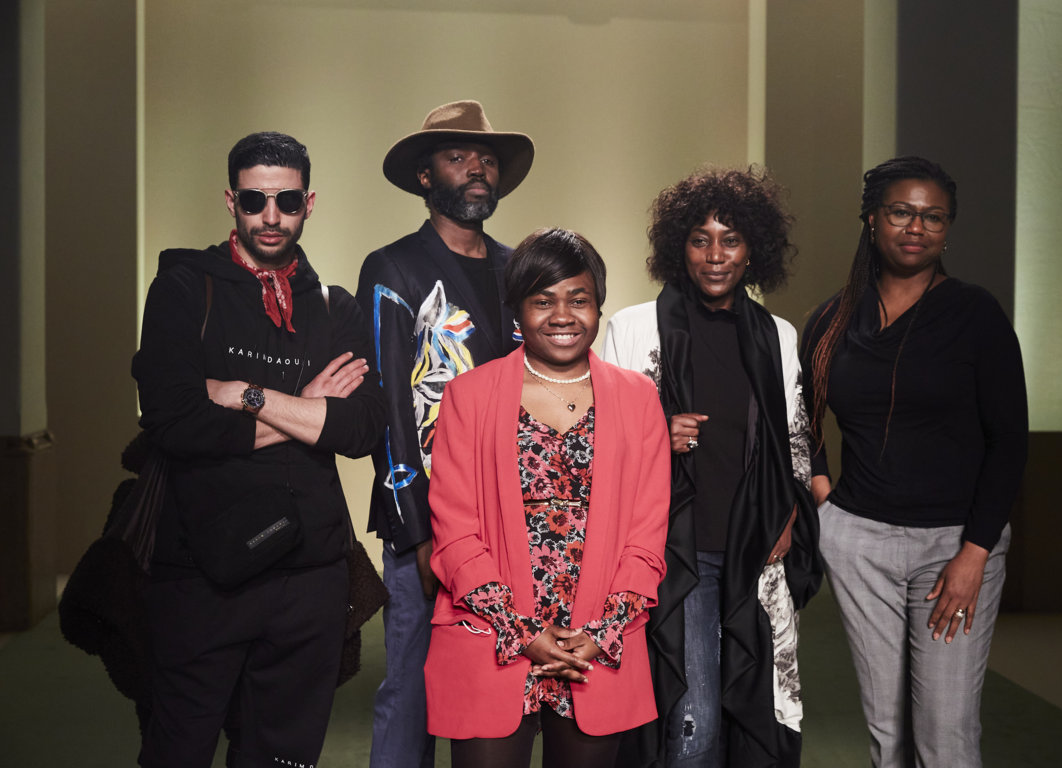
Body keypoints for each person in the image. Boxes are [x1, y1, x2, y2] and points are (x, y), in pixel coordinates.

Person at [131, 131, 387, 767]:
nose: (271, 216)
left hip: (310, 575)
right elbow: (173, 421)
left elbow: (361, 429)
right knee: (177, 752)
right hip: (199, 571)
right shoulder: (184, 289)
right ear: (231, 201)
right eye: (254, 200)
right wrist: (308, 408)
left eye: (287, 201)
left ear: (308, 203)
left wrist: (244, 393)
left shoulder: (334, 308)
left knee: (283, 759)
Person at [801, 156, 1028, 767]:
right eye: (902, 212)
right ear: (872, 219)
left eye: (934, 217)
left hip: (954, 545)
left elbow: (1009, 441)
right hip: (860, 544)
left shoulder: (975, 314)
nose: (916, 227)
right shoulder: (832, 320)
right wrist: (825, 499)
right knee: (887, 730)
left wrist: (975, 553)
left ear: (947, 230)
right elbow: (802, 419)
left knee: (944, 734)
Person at [424, 228, 671, 768]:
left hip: (596, 642)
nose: (563, 316)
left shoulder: (638, 398)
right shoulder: (468, 396)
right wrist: (521, 630)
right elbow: (455, 530)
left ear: (598, 306)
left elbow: (648, 532)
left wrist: (603, 631)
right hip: (493, 632)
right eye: (543, 301)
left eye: (579, 300)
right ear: (518, 309)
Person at [602, 167, 822, 767]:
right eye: (701, 240)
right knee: (693, 724)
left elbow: (795, 441)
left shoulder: (777, 335)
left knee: (750, 716)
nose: (716, 255)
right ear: (680, 247)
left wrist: (789, 517)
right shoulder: (633, 327)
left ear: (753, 250)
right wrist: (656, 433)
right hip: (678, 547)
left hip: (756, 546)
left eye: (731, 240)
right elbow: (598, 439)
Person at [355, 100, 533, 768]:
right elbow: (389, 408)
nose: (477, 169)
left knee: (501, 694)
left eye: (486, 159)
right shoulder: (392, 267)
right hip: (426, 522)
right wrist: (416, 532)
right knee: (412, 691)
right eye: (458, 158)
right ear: (425, 176)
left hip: (515, 517)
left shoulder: (522, 269)